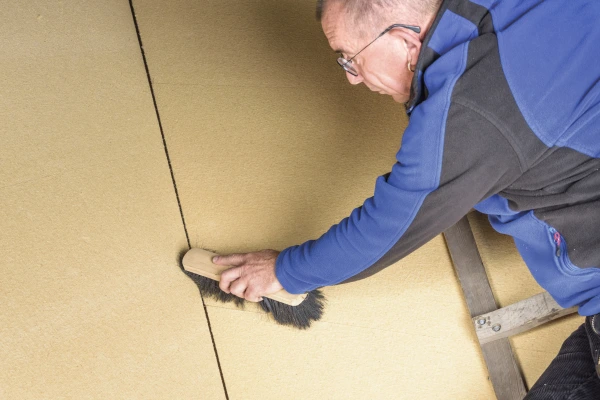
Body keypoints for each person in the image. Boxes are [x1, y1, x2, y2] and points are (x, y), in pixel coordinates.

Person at [212, 0, 600, 396]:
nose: (352, 78)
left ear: (404, 42)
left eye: (349, 58)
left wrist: (283, 271)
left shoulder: (469, 109)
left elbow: (390, 225)